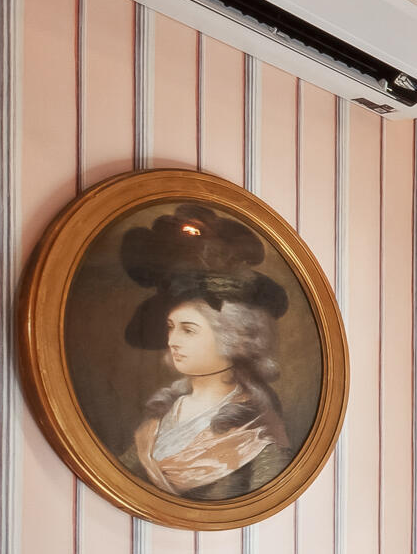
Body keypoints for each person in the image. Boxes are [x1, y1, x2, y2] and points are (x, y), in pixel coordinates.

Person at [117, 205, 296, 500]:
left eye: (188, 329)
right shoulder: (165, 414)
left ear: (236, 339)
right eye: (170, 327)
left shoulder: (257, 432)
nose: (172, 341)